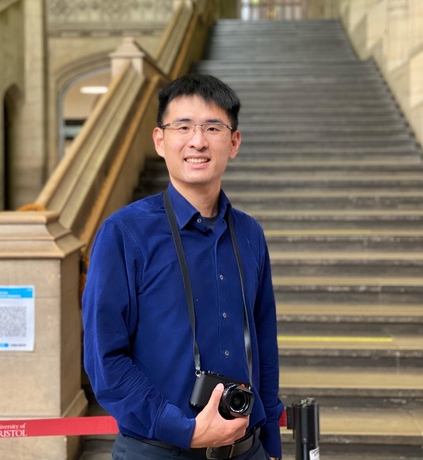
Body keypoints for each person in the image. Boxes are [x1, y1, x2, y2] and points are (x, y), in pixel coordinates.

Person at [82, 74, 284, 460]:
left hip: (247, 450)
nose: (198, 141)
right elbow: (104, 358)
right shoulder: (124, 233)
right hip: (157, 450)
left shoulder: (250, 234)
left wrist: (270, 440)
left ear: (234, 142)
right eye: (183, 127)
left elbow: (263, 343)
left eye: (212, 127)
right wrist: (184, 430)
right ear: (160, 140)